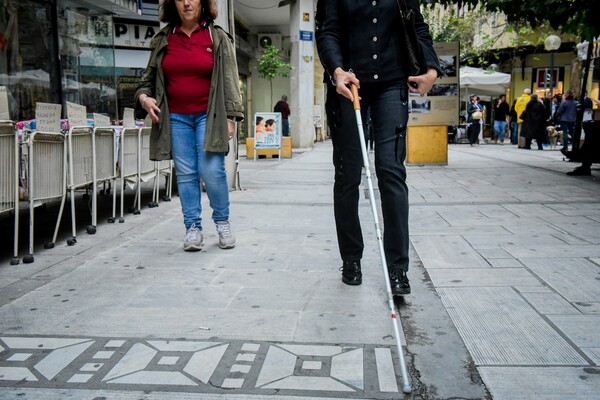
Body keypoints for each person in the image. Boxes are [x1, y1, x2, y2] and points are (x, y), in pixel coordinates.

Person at [316, 0, 440, 295]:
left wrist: (432, 69)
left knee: (390, 170)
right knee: (347, 175)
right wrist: (336, 70)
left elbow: (417, 26)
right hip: (349, 82)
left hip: (391, 83)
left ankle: (397, 267)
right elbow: (327, 31)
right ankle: (351, 259)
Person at [134, 0, 244, 251]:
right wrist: (144, 98)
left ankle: (222, 221)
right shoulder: (163, 39)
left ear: (203, 3)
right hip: (176, 118)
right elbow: (146, 82)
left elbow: (229, 79)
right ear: (173, 4)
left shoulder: (215, 36)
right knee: (185, 174)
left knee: (212, 170)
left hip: (210, 116)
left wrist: (231, 116)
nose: (186, 3)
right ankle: (192, 228)